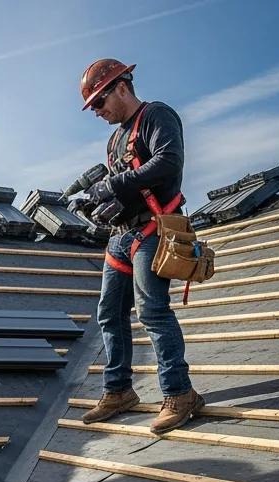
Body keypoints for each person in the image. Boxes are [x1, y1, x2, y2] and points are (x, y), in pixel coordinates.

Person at [79, 58, 204, 434]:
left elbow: (168, 163)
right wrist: (108, 203)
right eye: (93, 107)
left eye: (100, 102)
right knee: (109, 314)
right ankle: (118, 391)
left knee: (152, 312)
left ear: (121, 87)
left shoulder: (157, 116)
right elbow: (130, 183)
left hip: (153, 230)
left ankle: (180, 394)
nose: (98, 112)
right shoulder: (115, 138)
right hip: (121, 236)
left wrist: (112, 187)